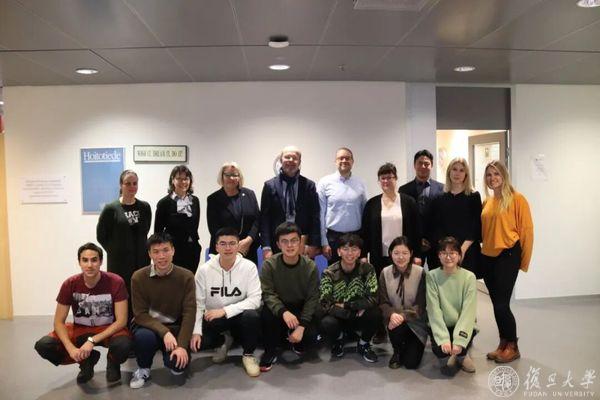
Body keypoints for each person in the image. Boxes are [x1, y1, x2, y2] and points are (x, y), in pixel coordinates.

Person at [34, 243, 131, 384]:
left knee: (124, 344)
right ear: (79, 262)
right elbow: (58, 322)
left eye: (94, 260)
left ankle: (113, 362)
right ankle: (86, 361)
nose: (89, 265)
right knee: (44, 345)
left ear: (101, 261)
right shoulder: (70, 284)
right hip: (80, 329)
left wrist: (92, 340)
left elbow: (121, 321)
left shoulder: (116, 282)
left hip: (107, 329)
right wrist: (71, 348)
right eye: (85, 260)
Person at [191, 227, 262, 377]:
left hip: (240, 317)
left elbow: (255, 300)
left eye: (232, 243)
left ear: (238, 245)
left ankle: (248, 355)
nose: (228, 248)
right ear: (216, 247)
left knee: (252, 316)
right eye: (223, 244)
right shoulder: (204, 270)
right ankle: (224, 340)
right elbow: (198, 303)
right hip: (215, 320)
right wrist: (196, 332)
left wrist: (225, 310)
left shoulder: (249, 267)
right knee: (199, 343)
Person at [481, 160, 534, 363]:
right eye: (489, 175)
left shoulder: (517, 199)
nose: (492, 178)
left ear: (504, 176)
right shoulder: (487, 202)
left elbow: (527, 232)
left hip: (508, 256)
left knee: (502, 304)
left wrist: (523, 262)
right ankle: (503, 343)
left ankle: (513, 346)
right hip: (488, 258)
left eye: (496, 174)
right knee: (496, 304)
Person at [129, 233, 196, 389]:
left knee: (177, 365)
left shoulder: (186, 276)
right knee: (144, 338)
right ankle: (143, 368)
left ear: (173, 251)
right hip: (147, 326)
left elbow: (189, 313)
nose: (161, 256)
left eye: (165, 250)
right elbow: (140, 314)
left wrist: (181, 345)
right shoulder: (138, 277)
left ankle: (174, 356)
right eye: (156, 252)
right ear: (150, 254)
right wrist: (164, 332)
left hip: (174, 327)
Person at [259, 222, 320, 372]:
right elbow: (267, 293)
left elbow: (312, 298)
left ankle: (294, 338)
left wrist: (302, 326)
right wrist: (283, 312)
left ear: (300, 243)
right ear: (278, 245)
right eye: (284, 241)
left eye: (294, 240)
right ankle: (270, 350)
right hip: (279, 309)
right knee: (266, 314)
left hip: (300, 307)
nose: (290, 245)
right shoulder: (269, 265)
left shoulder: (310, 266)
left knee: (311, 337)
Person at [319, 234, 380, 363]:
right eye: (345, 249)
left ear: (359, 253)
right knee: (327, 322)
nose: (350, 253)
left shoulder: (368, 269)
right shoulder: (329, 272)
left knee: (376, 313)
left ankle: (363, 344)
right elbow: (325, 303)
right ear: (338, 252)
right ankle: (338, 340)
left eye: (354, 249)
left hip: (359, 315)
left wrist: (347, 305)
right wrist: (351, 313)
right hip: (341, 316)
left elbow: (373, 298)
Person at [97, 169, 152, 307]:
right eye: (128, 183)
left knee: (140, 297)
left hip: (141, 261)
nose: (132, 187)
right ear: (121, 185)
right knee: (120, 298)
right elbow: (101, 235)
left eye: (135, 183)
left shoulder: (145, 207)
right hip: (119, 264)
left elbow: (146, 230)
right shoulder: (111, 209)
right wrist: (115, 250)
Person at [426, 237, 477, 376]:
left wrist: (460, 340)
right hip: (442, 324)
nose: (448, 257)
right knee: (443, 357)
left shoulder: (469, 277)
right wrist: (443, 339)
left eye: (452, 253)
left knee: (461, 345)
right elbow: (433, 310)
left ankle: (462, 355)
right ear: (439, 255)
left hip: (461, 323)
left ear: (459, 255)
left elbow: (468, 311)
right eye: (444, 253)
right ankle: (450, 354)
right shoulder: (432, 276)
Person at [260, 145, 320, 260]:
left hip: (302, 243)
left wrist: (313, 244)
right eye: (287, 157)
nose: (291, 160)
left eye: (295, 158)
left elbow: (315, 216)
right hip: (277, 243)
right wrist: (266, 247)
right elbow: (264, 218)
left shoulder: (309, 185)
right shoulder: (269, 185)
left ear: (299, 162)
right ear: (281, 160)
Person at [362, 162, 421, 275]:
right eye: (383, 178)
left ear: (396, 178)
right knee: (382, 283)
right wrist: (363, 255)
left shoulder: (409, 202)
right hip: (379, 255)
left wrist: (417, 255)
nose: (386, 181)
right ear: (379, 181)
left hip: (403, 256)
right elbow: (365, 232)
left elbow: (416, 230)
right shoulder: (372, 204)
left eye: (389, 177)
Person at [378, 236, 427, 370]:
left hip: (416, 322)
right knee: (395, 324)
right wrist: (392, 314)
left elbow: (421, 304)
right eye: (396, 253)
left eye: (405, 253)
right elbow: (383, 301)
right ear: (390, 253)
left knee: (411, 363)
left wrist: (402, 316)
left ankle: (410, 345)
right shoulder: (385, 273)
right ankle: (397, 351)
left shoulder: (420, 272)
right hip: (395, 322)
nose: (400, 257)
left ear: (411, 253)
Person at [428, 158, 482, 276]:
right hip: (445, 253)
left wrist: (461, 251)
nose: (457, 173)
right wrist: (448, 251)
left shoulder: (474, 196)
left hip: (467, 252)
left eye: (461, 170)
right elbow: (436, 227)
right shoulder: (439, 198)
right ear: (449, 172)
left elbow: (476, 227)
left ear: (466, 174)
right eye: (454, 169)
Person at [317, 148, 367, 265]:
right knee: (334, 273)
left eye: (347, 158)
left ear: (352, 161)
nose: (344, 160)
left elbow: (365, 212)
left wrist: (364, 245)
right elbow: (320, 214)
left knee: (355, 273)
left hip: (356, 237)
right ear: (335, 161)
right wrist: (324, 242)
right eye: (341, 158)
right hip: (333, 238)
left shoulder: (360, 183)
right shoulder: (325, 182)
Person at [207, 162, 260, 264]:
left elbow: (257, 220)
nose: (231, 178)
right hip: (224, 251)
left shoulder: (249, 194)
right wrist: (233, 245)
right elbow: (213, 228)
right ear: (222, 177)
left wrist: (248, 240)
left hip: (248, 249)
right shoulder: (213, 199)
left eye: (235, 175)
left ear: (239, 177)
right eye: (227, 175)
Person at [399, 150, 444, 266]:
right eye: (420, 163)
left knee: (437, 275)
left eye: (427, 164)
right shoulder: (404, 190)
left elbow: (442, 218)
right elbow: (405, 219)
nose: (423, 166)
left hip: (436, 243)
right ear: (414, 165)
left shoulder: (442, 189)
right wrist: (418, 239)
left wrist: (432, 239)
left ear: (431, 166)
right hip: (413, 243)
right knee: (413, 275)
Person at [154, 165, 201, 274]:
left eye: (186, 179)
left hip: (192, 250)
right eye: (179, 178)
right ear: (172, 180)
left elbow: (195, 226)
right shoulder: (164, 203)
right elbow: (158, 232)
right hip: (173, 251)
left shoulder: (195, 201)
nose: (183, 182)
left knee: (189, 279)